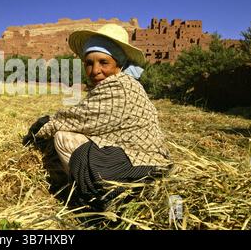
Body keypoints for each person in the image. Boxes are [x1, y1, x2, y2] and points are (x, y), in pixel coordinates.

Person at [23, 23, 173, 208]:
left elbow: (74, 119)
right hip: (150, 160)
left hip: (141, 166)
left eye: (104, 62)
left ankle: (92, 197)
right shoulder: (124, 83)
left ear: (118, 63)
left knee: (63, 137)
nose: (95, 71)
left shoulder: (117, 87)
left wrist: (38, 133)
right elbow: (86, 116)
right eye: (89, 63)